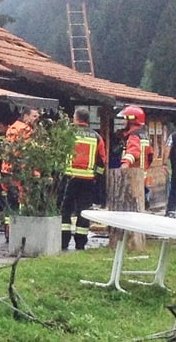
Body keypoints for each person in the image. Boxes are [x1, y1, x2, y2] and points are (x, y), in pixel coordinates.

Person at [59, 108, 107, 250]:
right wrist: (97, 178)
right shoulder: (96, 137)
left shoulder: (68, 134)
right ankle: (80, 243)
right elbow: (102, 160)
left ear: (76, 118)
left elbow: (59, 154)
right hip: (87, 180)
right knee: (83, 210)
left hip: (69, 177)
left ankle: (64, 240)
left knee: (65, 209)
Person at [1, 107, 40, 240]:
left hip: (7, 169)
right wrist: (34, 171)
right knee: (21, 200)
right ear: (26, 116)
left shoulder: (12, 127)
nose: (37, 119)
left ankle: (9, 232)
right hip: (20, 171)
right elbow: (29, 153)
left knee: (10, 202)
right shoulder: (26, 130)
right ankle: (19, 232)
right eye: (34, 116)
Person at [117, 105, 155, 209]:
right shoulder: (144, 135)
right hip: (143, 178)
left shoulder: (134, 135)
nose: (123, 122)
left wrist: (125, 164)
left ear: (132, 120)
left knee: (131, 207)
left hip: (132, 177)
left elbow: (134, 152)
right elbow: (151, 156)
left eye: (125, 119)